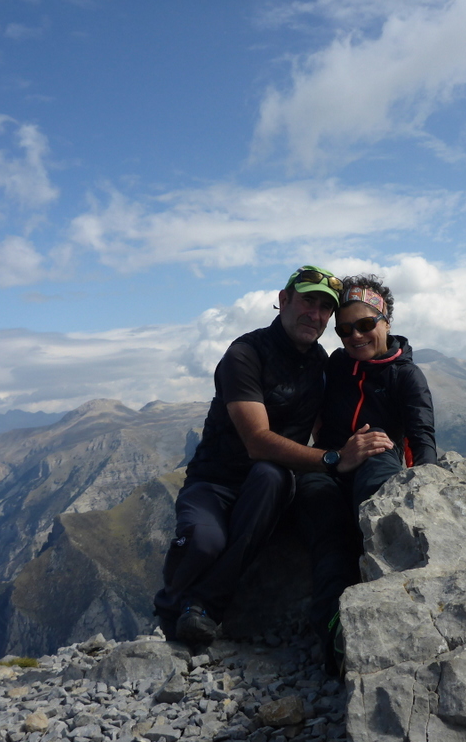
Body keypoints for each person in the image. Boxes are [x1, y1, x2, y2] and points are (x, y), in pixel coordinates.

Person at [153, 265, 394, 647]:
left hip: (272, 487)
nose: (315, 314)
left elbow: (331, 419)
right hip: (214, 482)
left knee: (270, 476)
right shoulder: (245, 355)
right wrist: (333, 459)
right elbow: (258, 442)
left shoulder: (321, 365)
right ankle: (170, 609)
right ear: (284, 300)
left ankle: (204, 606)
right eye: (308, 302)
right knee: (204, 541)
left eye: (325, 308)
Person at [295, 274, 436, 674]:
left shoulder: (406, 376)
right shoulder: (337, 365)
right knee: (329, 534)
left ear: (386, 321)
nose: (354, 336)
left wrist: (427, 492)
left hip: (377, 465)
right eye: (344, 329)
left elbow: (422, 443)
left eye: (364, 324)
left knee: (377, 472)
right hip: (328, 467)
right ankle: (336, 636)